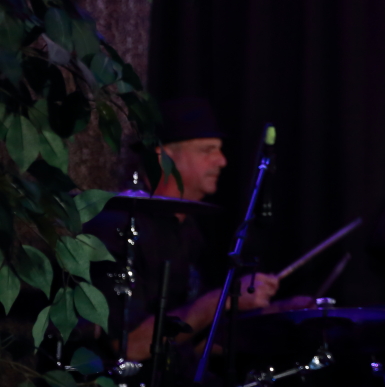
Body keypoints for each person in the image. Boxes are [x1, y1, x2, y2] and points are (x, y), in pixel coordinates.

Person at [91, 98, 303, 363]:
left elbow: (193, 342)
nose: (222, 161)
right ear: (162, 158)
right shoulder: (119, 228)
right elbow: (130, 346)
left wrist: (281, 315)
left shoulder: (188, 229)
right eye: (207, 150)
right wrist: (221, 299)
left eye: (220, 150)